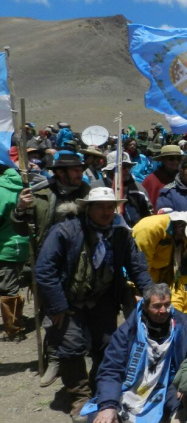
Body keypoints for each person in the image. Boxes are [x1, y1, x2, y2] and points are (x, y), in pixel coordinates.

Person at [35, 187, 154, 421]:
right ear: (88, 208)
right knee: (71, 349)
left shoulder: (121, 235)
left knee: (107, 346)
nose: (106, 212)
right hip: (68, 302)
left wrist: (152, 294)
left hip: (103, 300)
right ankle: (79, 396)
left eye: (110, 207)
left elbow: (137, 266)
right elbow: (45, 270)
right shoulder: (66, 231)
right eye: (100, 206)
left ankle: (101, 390)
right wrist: (57, 306)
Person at [86, 284, 187, 423]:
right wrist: (108, 405)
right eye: (156, 306)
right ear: (145, 306)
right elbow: (111, 370)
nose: (163, 310)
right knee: (102, 417)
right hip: (129, 387)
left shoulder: (182, 325)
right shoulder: (128, 332)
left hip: (168, 386)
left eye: (167, 305)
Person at [133, 209, 187, 285]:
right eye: (185, 233)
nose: (184, 238)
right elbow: (140, 267)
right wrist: (146, 289)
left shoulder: (181, 234)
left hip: (161, 281)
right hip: (142, 282)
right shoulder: (150, 229)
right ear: (180, 223)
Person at [0, 166, 30, 340]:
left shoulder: (1, 189)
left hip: (5, 246)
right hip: (23, 242)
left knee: (7, 288)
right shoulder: (23, 184)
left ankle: (14, 329)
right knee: (12, 284)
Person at [92, 151, 153, 227]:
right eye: (122, 167)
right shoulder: (96, 188)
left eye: (129, 167)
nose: (126, 170)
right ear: (111, 170)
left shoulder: (139, 190)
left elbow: (148, 215)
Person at [143, 145, 183, 211]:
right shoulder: (151, 180)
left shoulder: (184, 178)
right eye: (171, 159)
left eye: (178, 159)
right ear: (163, 160)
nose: (176, 161)